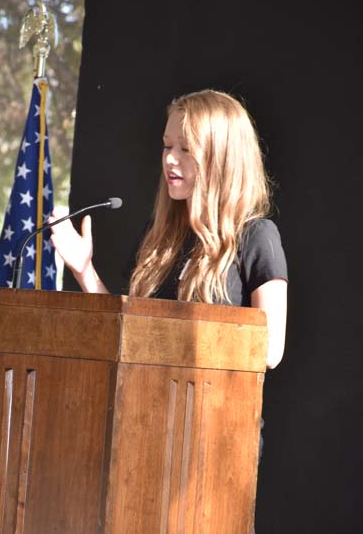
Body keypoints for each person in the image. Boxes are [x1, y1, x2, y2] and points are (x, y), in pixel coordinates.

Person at [50, 89, 288, 368]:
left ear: (222, 158)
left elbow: (270, 352)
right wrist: (84, 270)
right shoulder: (160, 236)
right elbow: (126, 333)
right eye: (167, 146)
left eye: (185, 148)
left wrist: (176, 340)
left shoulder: (256, 236)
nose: (170, 159)